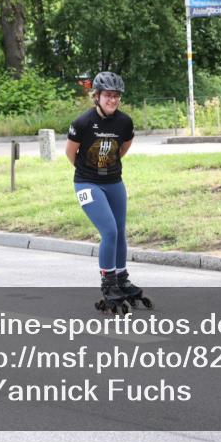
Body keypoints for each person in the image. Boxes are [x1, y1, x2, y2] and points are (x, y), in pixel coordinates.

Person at [66, 71, 147, 311]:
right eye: (108, 96)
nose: (112, 100)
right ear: (97, 96)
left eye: (116, 96)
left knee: (120, 231)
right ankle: (108, 282)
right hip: (87, 183)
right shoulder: (82, 123)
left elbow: (123, 148)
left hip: (114, 182)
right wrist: (89, 173)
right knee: (109, 231)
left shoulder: (125, 122)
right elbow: (71, 154)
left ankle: (121, 279)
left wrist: (107, 168)